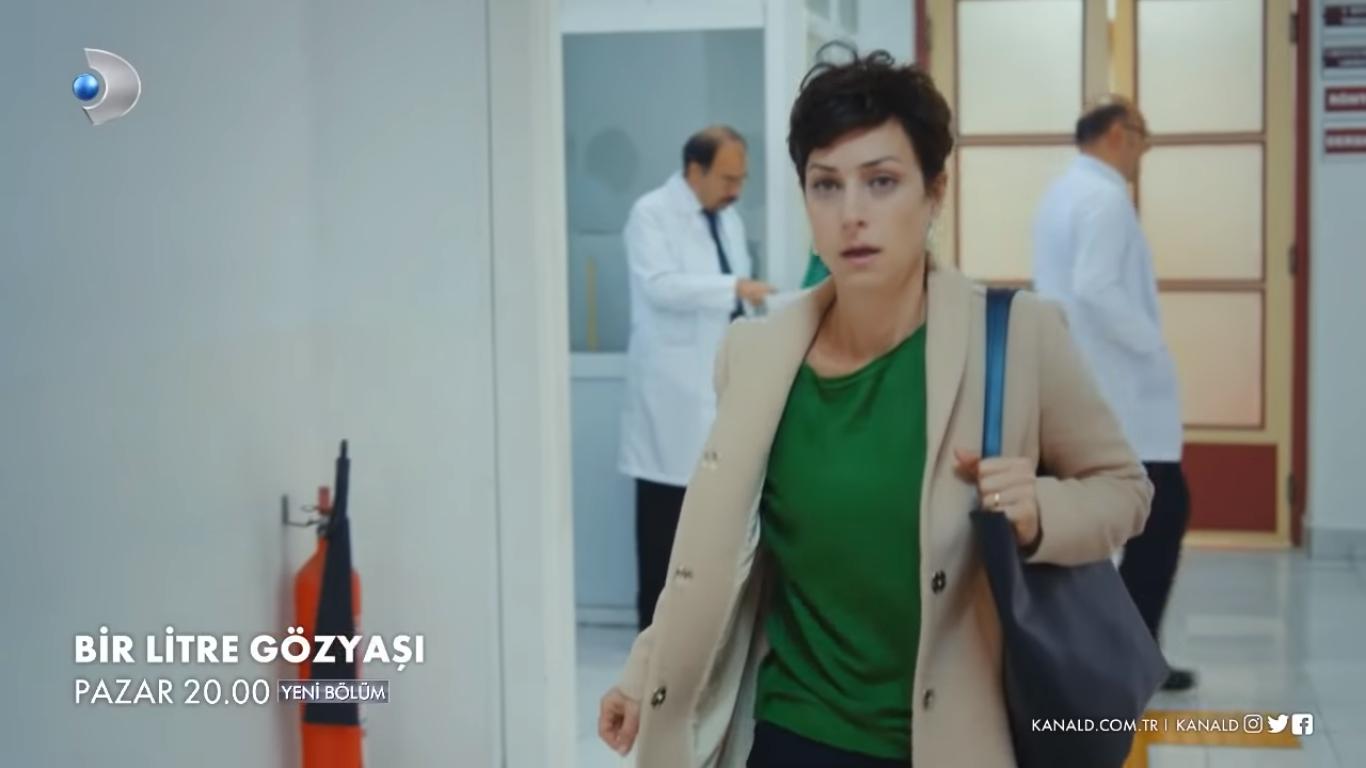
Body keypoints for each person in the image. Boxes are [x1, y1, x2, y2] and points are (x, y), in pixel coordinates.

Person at [599, 48, 1153, 767]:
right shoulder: (756, 356)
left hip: (949, 741)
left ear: (935, 192)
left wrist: (1039, 510)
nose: (852, 214)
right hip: (794, 732)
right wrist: (643, 672)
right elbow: (711, 553)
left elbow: (1125, 489)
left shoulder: (1017, 338)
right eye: (826, 185)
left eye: (882, 181)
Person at [1031, 96, 1195, 693]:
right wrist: (1150, 343)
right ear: (1119, 134)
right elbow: (1096, 287)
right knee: (1161, 511)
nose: (1144, 152)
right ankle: (1131, 655)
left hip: (1080, 380)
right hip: (1116, 389)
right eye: (1144, 138)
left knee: (1112, 522)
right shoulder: (1104, 200)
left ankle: (1108, 652)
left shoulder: (1060, 194)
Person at [619, 125, 776, 631]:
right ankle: (652, 635)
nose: (736, 190)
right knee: (663, 526)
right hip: (669, 396)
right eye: (728, 178)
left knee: (714, 521)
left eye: (742, 179)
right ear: (695, 170)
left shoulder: (727, 220)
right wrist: (735, 288)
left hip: (717, 388)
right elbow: (660, 286)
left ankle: (704, 633)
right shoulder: (650, 214)